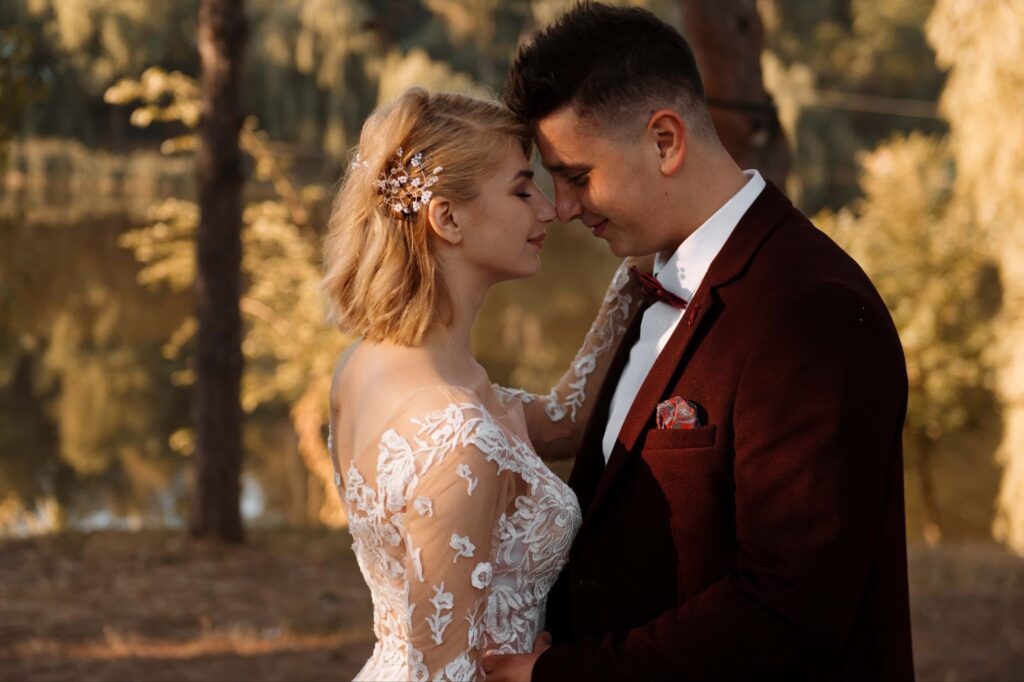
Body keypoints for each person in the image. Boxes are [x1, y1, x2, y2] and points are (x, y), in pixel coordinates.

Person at [483, 3, 915, 681]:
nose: (562, 209)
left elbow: (790, 610)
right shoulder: (645, 282)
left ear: (665, 141)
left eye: (576, 176)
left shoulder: (812, 313)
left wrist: (561, 675)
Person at [320, 87, 647, 681]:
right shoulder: (456, 438)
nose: (547, 210)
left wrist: (636, 274)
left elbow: (563, 421)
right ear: (446, 217)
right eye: (523, 190)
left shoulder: (364, 364)